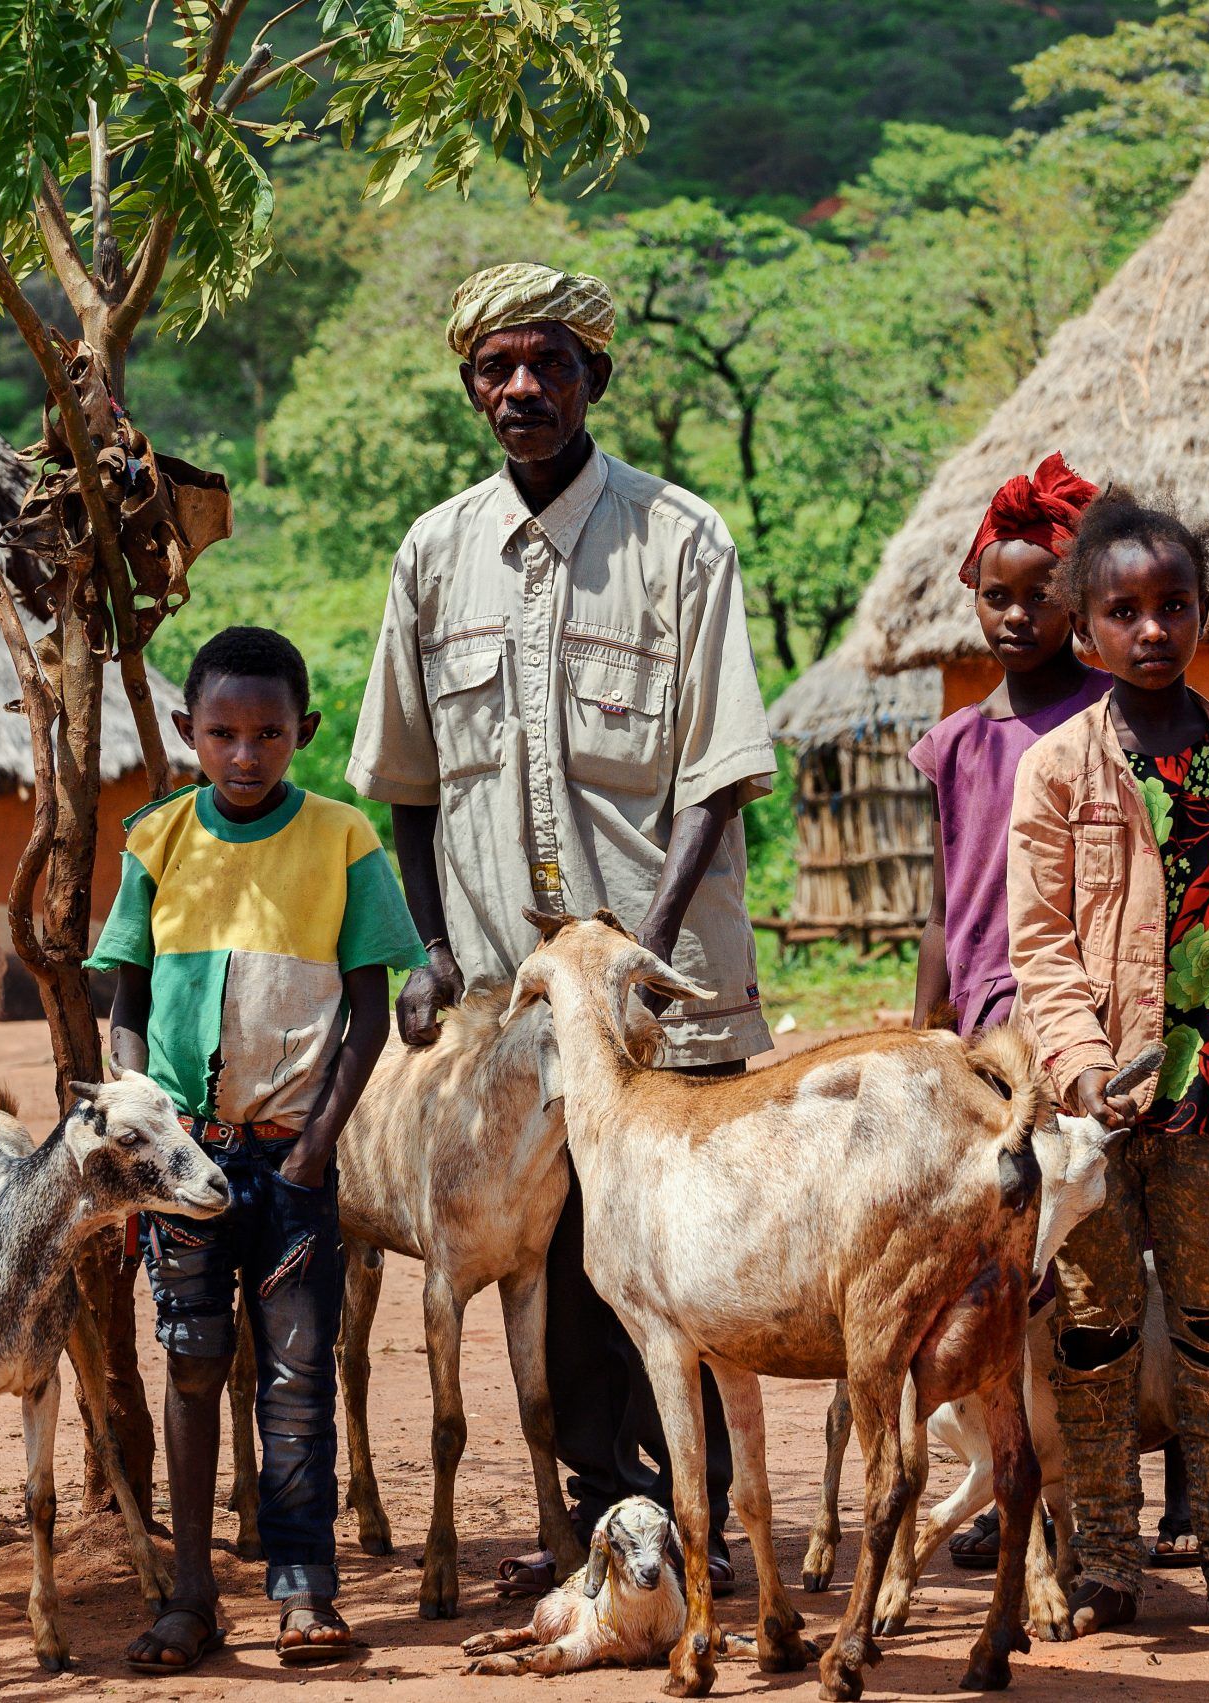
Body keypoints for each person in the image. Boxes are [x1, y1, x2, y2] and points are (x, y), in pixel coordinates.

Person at [346, 262, 774, 1595]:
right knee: (559, 1269)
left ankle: (708, 1525)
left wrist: (626, 961)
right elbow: (408, 786)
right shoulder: (432, 554)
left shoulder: (683, 540)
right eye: (496, 368)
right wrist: (425, 947)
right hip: (502, 1009)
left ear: (597, 375)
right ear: (471, 384)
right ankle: (604, 1522)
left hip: (667, 994)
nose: (522, 387)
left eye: (548, 363)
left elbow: (717, 772)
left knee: (680, 1264)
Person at [1005, 486, 1209, 1638]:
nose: (1152, 629)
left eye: (1173, 605)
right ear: (1084, 630)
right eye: (1124, 610)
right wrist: (1082, 1066)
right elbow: (1037, 940)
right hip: (1094, 1114)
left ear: (1202, 612)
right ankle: (1103, 1561)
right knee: (1088, 1335)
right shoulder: (1052, 771)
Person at [89, 626, 427, 1672]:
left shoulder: (342, 838)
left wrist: (316, 1147)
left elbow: (368, 1015)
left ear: (304, 733)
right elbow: (128, 1002)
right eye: (223, 733)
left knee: (292, 1375)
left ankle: (303, 1593)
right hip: (184, 1166)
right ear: (189, 731)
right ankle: (190, 1596)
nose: (244, 754)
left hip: (292, 1162)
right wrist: (145, 1119)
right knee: (192, 1364)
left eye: (268, 733)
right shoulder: (155, 840)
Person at [909, 452, 1109, 1036]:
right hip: (987, 1017)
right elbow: (941, 919)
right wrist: (925, 1036)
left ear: (1075, 600)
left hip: (1090, 1004)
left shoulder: (1113, 715)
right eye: (997, 597)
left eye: (1040, 596)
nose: (1016, 615)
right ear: (974, 600)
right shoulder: (951, 747)